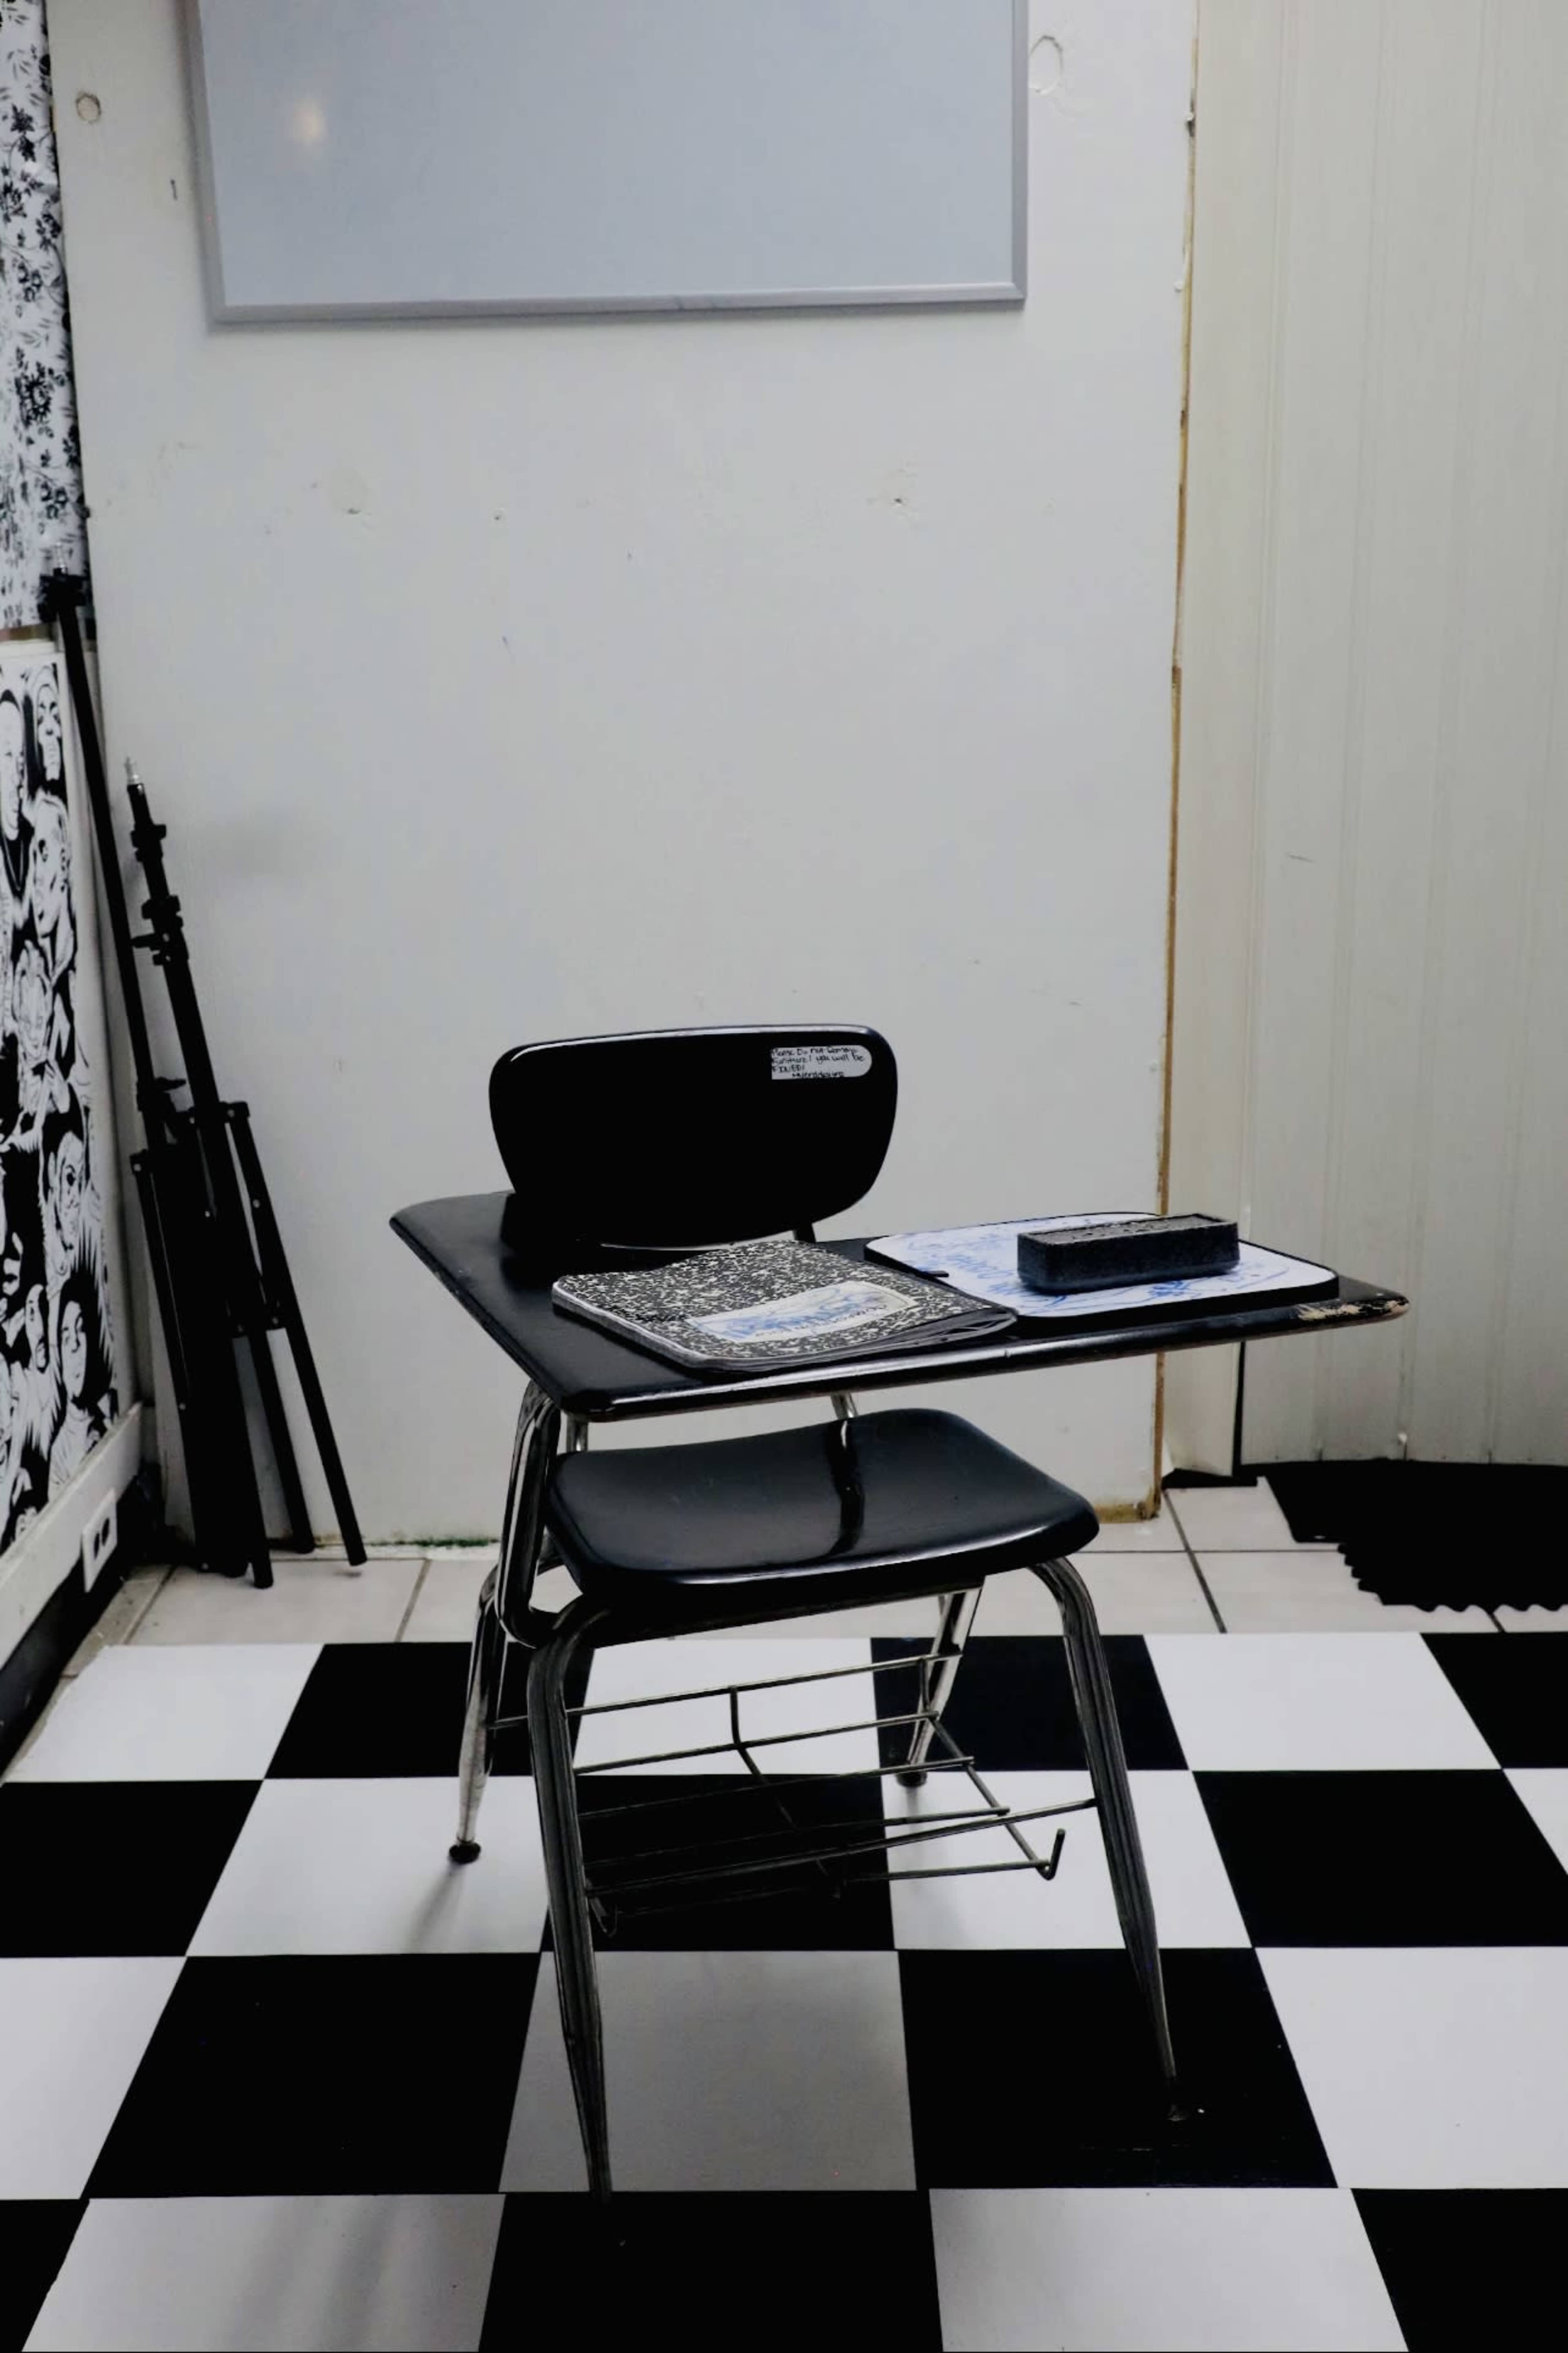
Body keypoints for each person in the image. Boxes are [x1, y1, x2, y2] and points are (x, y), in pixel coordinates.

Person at [48, 1262, 114, 1496]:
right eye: (66, 1337)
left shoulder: (107, 1418)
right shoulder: (60, 1452)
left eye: (81, 1330)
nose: (74, 1345)